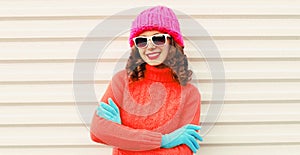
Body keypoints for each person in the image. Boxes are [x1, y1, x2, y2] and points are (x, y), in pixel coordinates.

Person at [90, 5, 203, 155]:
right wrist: (165, 140)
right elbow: (97, 132)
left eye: (158, 39)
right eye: (142, 41)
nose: (150, 47)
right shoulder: (122, 81)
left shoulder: (190, 94)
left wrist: (122, 138)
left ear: (172, 42)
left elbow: (184, 151)